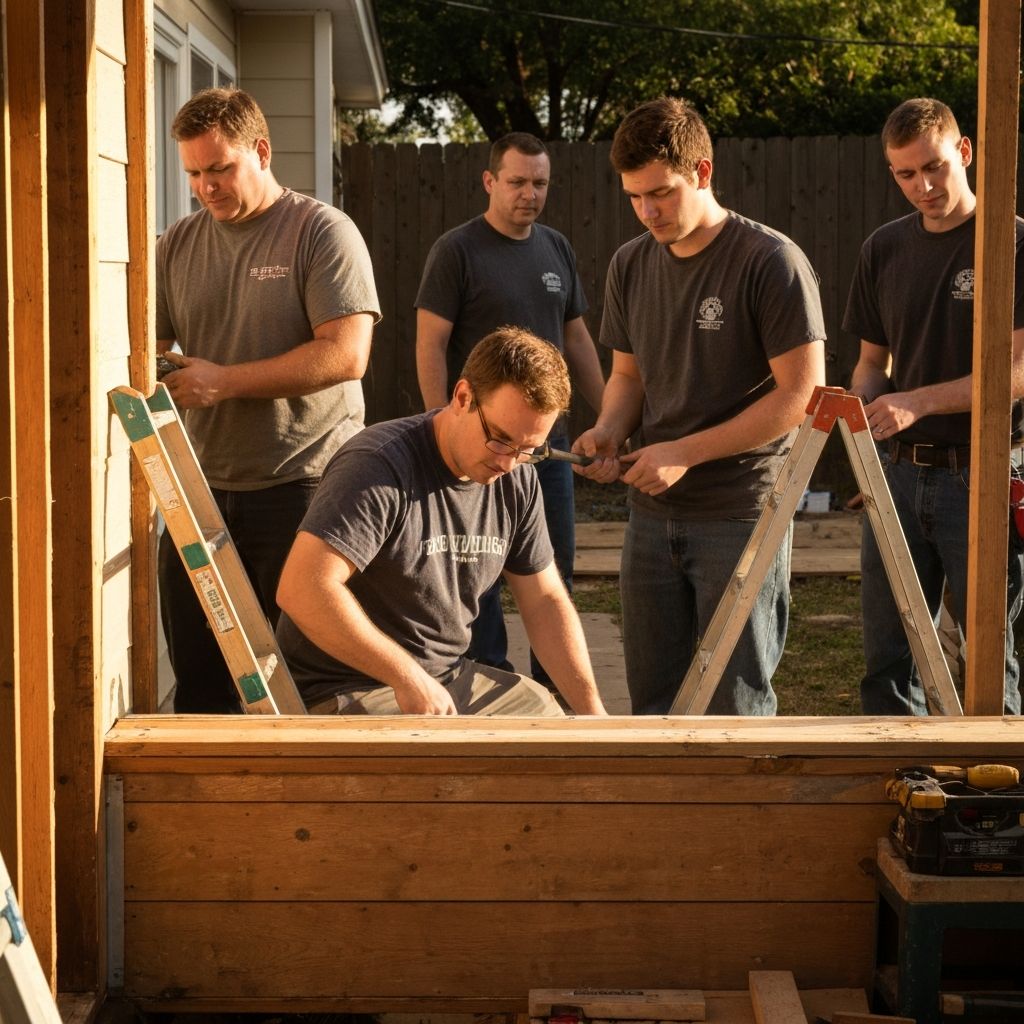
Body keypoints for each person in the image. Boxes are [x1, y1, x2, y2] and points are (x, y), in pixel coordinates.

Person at [573, 97, 826, 716]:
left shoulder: (771, 260)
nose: (647, 211)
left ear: (703, 172)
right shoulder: (630, 263)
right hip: (651, 512)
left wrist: (684, 452)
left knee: (734, 705)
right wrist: (608, 430)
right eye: (634, 197)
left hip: (742, 510)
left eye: (661, 193)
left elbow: (801, 397)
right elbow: (627, 376)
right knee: (653, 703)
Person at [156, 87, 380, 713]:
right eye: (193, 173)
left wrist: (224, 381)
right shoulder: (175, 245)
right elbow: (145, 348)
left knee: (309, 686)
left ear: (260, 151)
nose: (205, 187)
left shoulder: (320, 231)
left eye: (219, 168)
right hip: (199, 492)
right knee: (201, 688)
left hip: (305, 488)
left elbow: (347, 354)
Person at [275, 328, 608, 717]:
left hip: (446, 679)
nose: (508, 462)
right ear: (463, 397)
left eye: (528, 449)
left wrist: (594, 716)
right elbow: (303, 588)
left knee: (547, 720)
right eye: (500, 439)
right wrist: (407, 677)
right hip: (350, 686)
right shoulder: (377, 465)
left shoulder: (517, 477)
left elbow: (545, 600)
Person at [844, 97, 1024, 715]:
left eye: (934, 167)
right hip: (896, 472)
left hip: (983, 472)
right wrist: (856, 416)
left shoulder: (1011, 240)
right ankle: (901, 771)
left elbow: (1019, 371)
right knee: (888, 657)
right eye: (905, 174)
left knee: (988, 655)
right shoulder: (883, 248)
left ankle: (997, 778)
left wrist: (916, 402)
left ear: (964, 152)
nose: (922, 186)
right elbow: (872, 366)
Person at [415, 132, 605, 688]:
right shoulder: (457, 250)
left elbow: (577, 340)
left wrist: (608, 418)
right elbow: (430, 344)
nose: (529, 194)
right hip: (483, 444)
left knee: (553, 574)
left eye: (540, 183)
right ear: (490, 181)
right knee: (480, 574)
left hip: (545, 448)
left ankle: (553, 694)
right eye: (517, 181)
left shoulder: (556, 249)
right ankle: (486, 685)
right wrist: (441, 429)